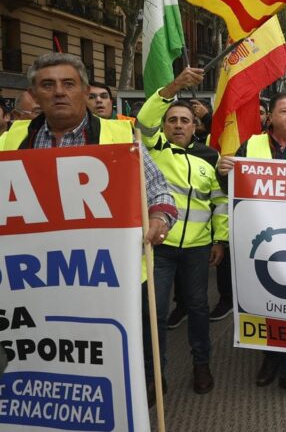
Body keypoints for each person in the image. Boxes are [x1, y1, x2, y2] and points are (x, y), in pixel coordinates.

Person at [0, 53, 176, 406]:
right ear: (34, 94)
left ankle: (136, 404)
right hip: (38, 278)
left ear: (84, 91)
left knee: (129, 351)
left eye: (69, 84)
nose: (59, 92)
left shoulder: (120, 135)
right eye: (48, 85)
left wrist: (159, 216)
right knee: (54, 347)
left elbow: (159, 191)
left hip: (115, 276)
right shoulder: (10, 142)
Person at [217, 92, 286, 402]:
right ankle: (273, 356)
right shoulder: (251, 145)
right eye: (285, 110)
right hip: (262, 237)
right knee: (267, 299)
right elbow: (232, 189)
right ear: (271, 117)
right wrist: (223, 171)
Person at [135, 66, 224, 397]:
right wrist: (173, 86)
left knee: (198, 307)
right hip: (157, 247)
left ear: (195, 126)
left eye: (184, 121)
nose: (177, 125)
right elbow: (144, 121)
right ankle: (154, 374)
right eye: (172, 120)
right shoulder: (153, 147)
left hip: (199, 249)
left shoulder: (209, 157)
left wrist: (220, 239)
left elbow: (219, 202)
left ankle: (202, 365)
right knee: (154, 313)